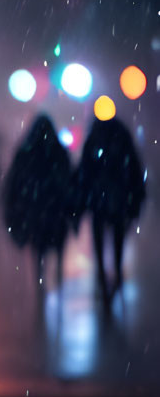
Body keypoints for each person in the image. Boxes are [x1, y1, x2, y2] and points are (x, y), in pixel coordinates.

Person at [75, 114, 147, 305]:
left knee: (100, 239)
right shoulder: (120, 137)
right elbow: (133, 168)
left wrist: (82, 199)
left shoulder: (95, 138)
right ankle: (115, 275)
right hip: (117, 199)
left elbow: (84, 171)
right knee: (117, 239)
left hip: (99, 200)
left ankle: (102, 277)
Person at [1, 113, 76, 292]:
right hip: (54, 211)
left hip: (37, 212)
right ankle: (56, 276)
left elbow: (14, 183)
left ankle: (40, 283)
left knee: (39, 249)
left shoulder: (26, 151)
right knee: (56, 245)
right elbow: (68, 180)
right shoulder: (57, 151)